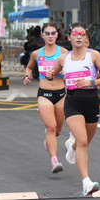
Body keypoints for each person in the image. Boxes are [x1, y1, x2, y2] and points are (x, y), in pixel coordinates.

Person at [47, 23, 100, 196]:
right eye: (75, 34)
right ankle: (86, 182)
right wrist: (50, 74)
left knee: (85, 141)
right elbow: (52, 72)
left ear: (86, 39)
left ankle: (71, 146)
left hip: (91, 100)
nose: (79, 37)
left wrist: (91, 82)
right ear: (69, 38)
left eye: (82, 34)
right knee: (83, 141)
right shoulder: (63, 58)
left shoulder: (94, 56)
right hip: (73, 101)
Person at [23, 22, 67, 174]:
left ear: (57, 35)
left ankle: (49, 140)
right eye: (47, 33)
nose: (50, 36)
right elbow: (29, 67)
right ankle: (54, 160)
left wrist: (58, 73)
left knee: (58, 131)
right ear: (42, 35)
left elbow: (69, 71)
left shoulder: (64, 52)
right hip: (44, 94)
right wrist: (27, 76)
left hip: (61, 94)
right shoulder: (36, 54)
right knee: (51, 127)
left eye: (53, 33)